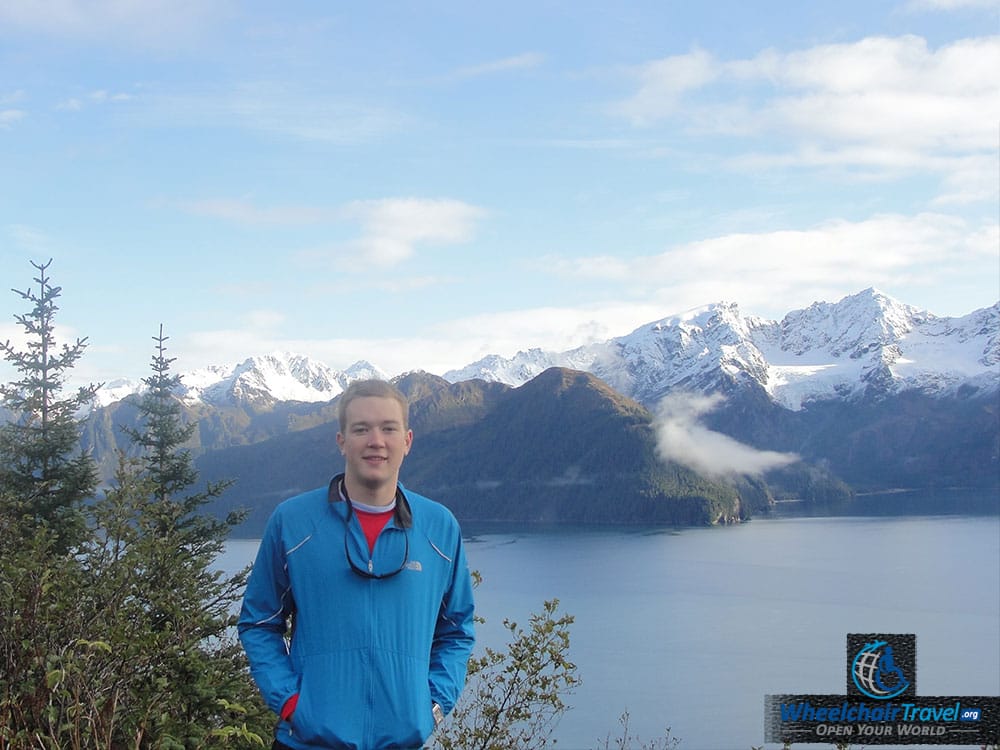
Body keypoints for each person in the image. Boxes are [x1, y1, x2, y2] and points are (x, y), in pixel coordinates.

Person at [238, 379, 476, 750]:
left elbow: (457, 630)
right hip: (307, 742)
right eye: (361, 429)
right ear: (342, 441)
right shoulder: (294, 522)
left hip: (400, 742)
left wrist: (432, 707)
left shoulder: (439, 528)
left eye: (388, 428)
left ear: (407, 441)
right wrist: (291, 703)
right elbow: (259, 622)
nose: (375, 441)